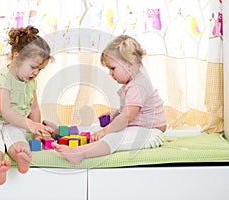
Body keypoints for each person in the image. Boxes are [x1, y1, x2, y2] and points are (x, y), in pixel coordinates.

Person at [50, 35, 167, 165]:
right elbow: (128, 110)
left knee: (113, 137)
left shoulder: (139, 86)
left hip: (149, 133)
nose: (110, 73)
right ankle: (62, 134)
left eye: (112, 68)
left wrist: (106, 130)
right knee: (96, 128)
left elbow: (127, 117)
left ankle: (80, 152)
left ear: (129, 64)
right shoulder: (131, 84)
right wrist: (114, 114)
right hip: (136, 128)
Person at [0, 26, 54, 185]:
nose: (36, 73)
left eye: (40, 69)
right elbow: (5, 110)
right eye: (33, 67)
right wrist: (29, 124)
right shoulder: (0, 78)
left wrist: (36, 131)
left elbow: (34, 108)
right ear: (17, 57)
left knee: (17, 136)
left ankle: (21, 156)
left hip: (13, 124)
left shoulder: (31, 81)